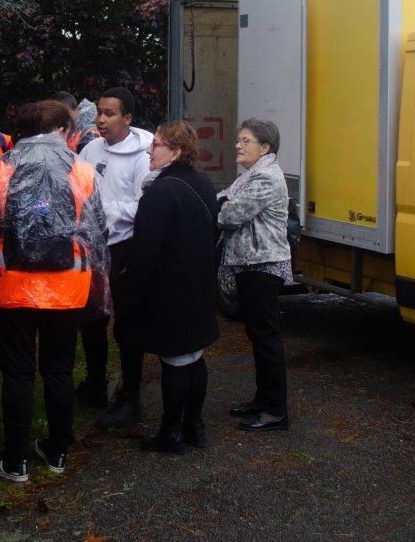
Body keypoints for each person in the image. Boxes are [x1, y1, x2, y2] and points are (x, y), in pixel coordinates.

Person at [0, 101, 108, 483]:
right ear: (61, 129)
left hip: (12, 286)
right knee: (59, 369)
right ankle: (58, 449)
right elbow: (97, 229)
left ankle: (15, 460)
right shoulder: (82, 169)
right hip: (66, 288)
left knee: (17, 372)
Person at [117, 122, 220, 453]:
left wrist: (131, 297)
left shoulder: (160, 192)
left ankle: (171, 432)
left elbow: (144, 252)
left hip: (171, 292)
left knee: (175, 361)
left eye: (157, 144)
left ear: (176, 152)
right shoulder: (202, 182)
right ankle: (195, 427)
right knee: (194, 358)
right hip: (198, 288)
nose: (150, 149)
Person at [76, 86, 154, 424]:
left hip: (125, 248)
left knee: (127, 322)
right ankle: (95, 383)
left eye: (109, 114)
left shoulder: (143, 155)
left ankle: (130, 395)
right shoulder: (91, 149)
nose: (101, 119)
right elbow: (79, 188)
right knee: (92, 317)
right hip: (93, 246)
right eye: (99, 112)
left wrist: (105, 211)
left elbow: (143, 206)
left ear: (127, 118)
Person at [218, 118, 292, 432]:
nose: (238, 145)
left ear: (265, 147)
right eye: (239, 139)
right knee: (258, 336)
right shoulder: (251, 175)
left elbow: (231, 215)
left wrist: (224, 204)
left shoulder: (265, 177)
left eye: (245, 140)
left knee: (266, 338)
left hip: (262, 266)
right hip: (252, 265)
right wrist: (224, 201)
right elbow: (223, 197)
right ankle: (262, 400)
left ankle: (275, 410)